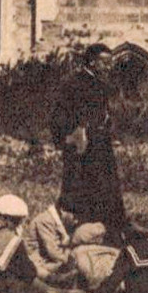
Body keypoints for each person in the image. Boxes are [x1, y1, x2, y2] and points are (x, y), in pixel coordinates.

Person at [50, 44, 126, 238]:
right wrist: (69, 137)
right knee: (79, 186)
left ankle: (107, 227)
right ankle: (77, 228)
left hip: (100, 145)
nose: (109, 67)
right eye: (105, 63)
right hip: (81, 148)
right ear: (92, 62)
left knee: (104, 186)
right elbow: (58, 115)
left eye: (110, 63)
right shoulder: (72, 83)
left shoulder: (102, 85)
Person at [24, 201, 80, 287]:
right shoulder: (46, 220)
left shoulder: (57, 220)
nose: (76, 221)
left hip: (46, 259)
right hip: (36, 261)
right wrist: (71, 259)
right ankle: (55, 280)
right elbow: (53, 252)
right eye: (74, 217)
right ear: (63, 211)